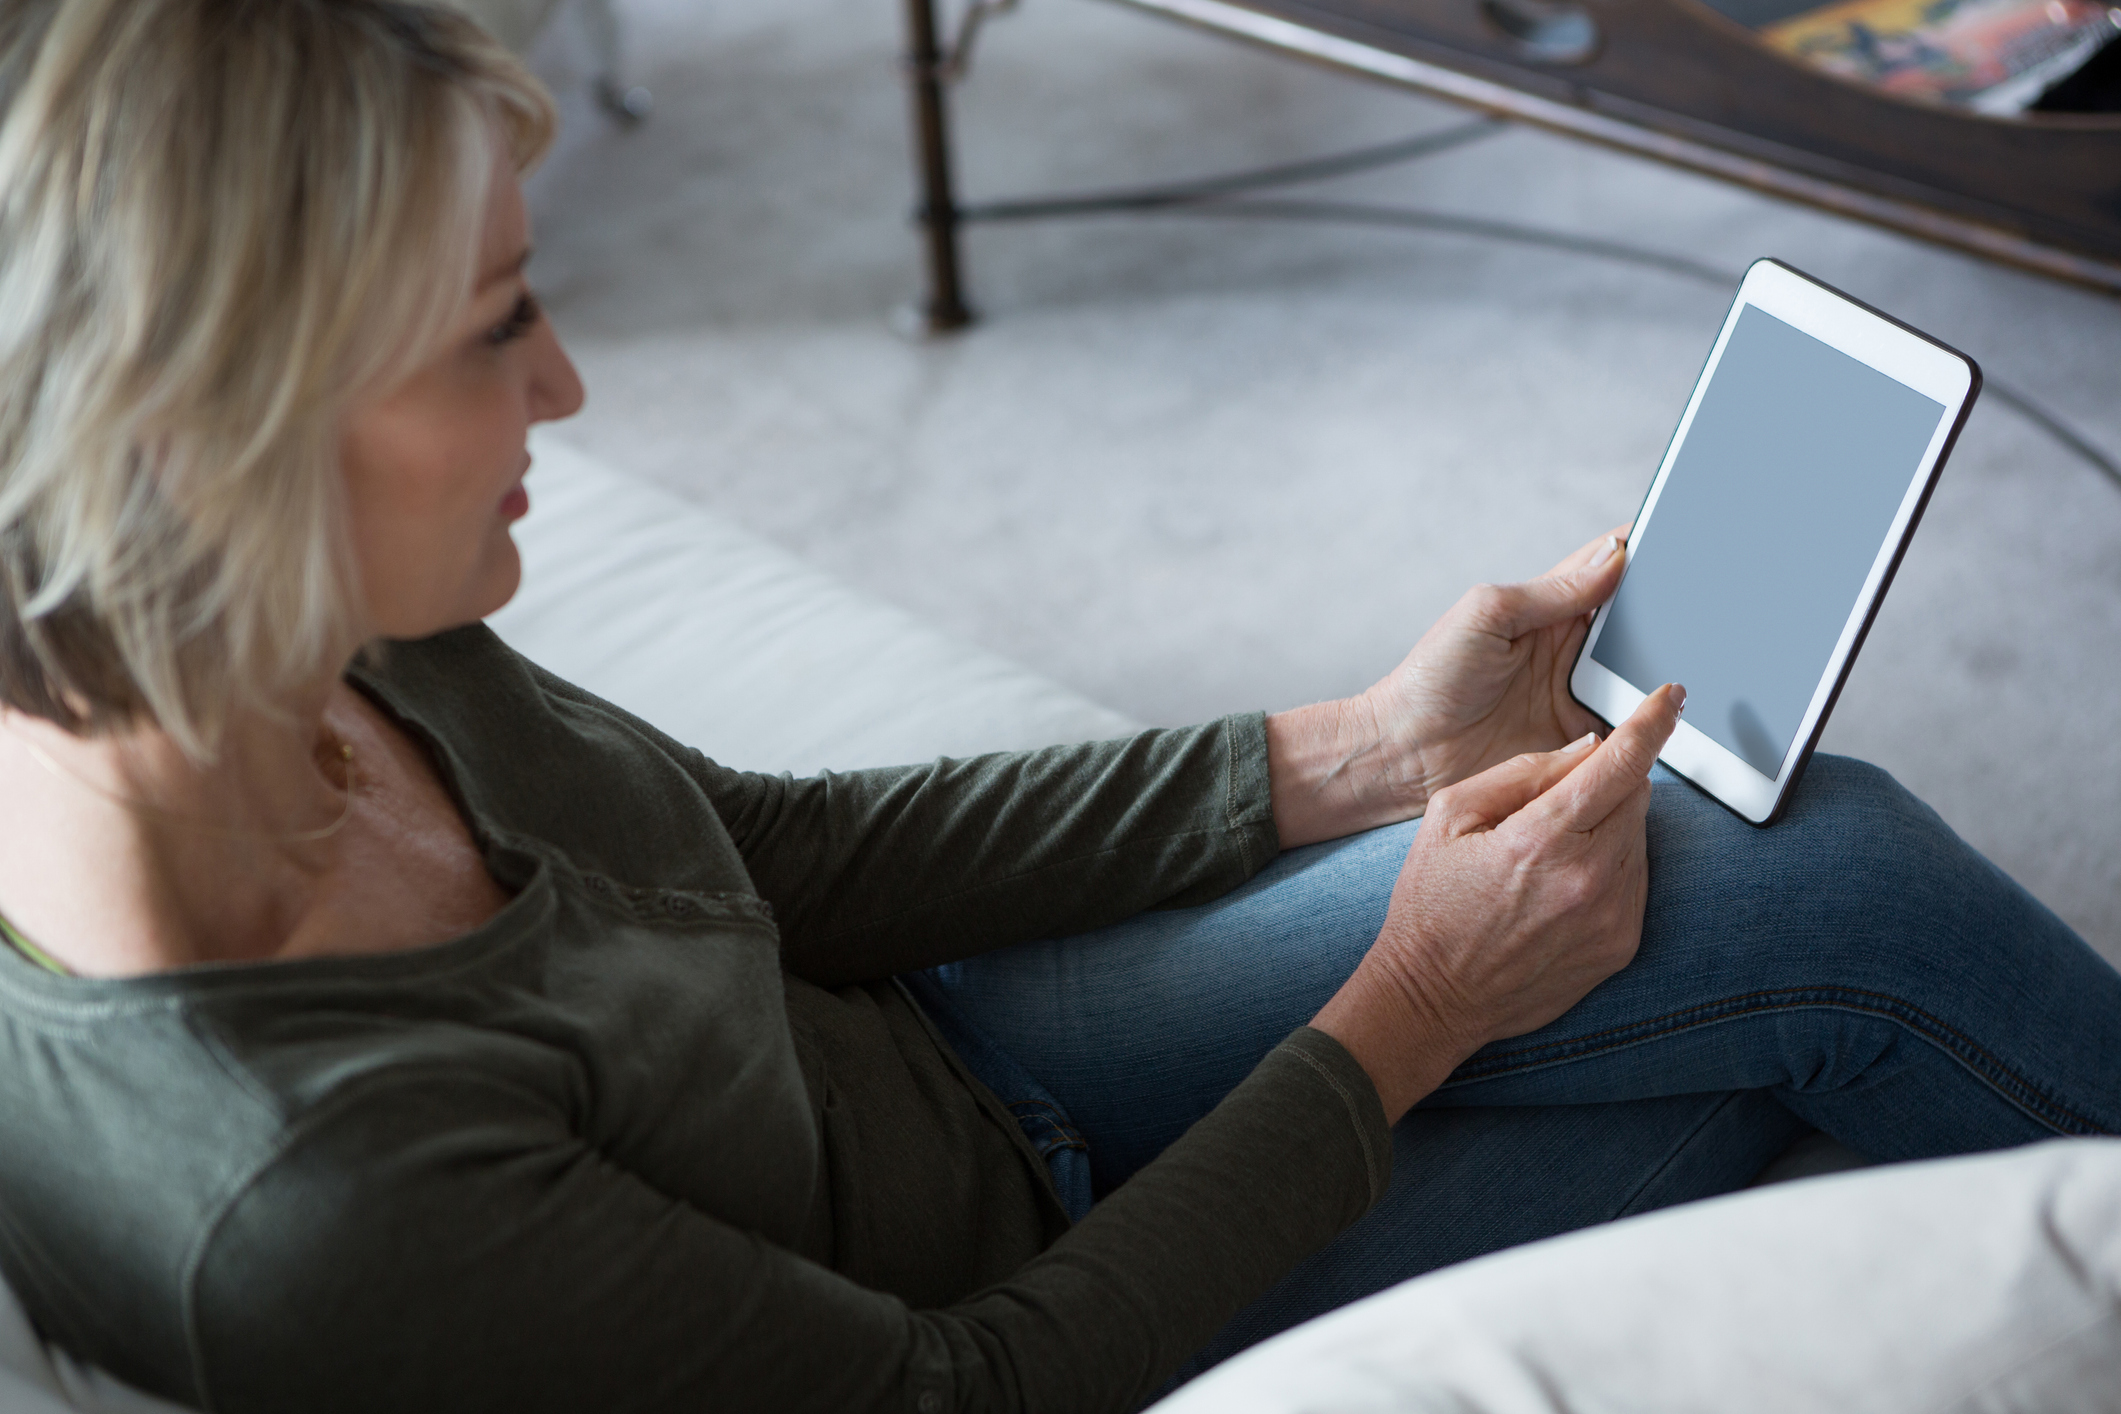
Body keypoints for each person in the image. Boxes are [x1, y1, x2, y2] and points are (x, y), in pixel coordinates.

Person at [0, 4, 2112, 1413]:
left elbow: (773, 857)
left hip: (938, 1053)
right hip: (1013, 1307)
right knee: (1809, 1027)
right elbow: (961, 1385)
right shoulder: (312, 1194)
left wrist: (1371, 741)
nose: (563, 389)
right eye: (497, 326)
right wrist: (1409, 1008)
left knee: (1775, 872)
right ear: (221, 434)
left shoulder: (287, 623)